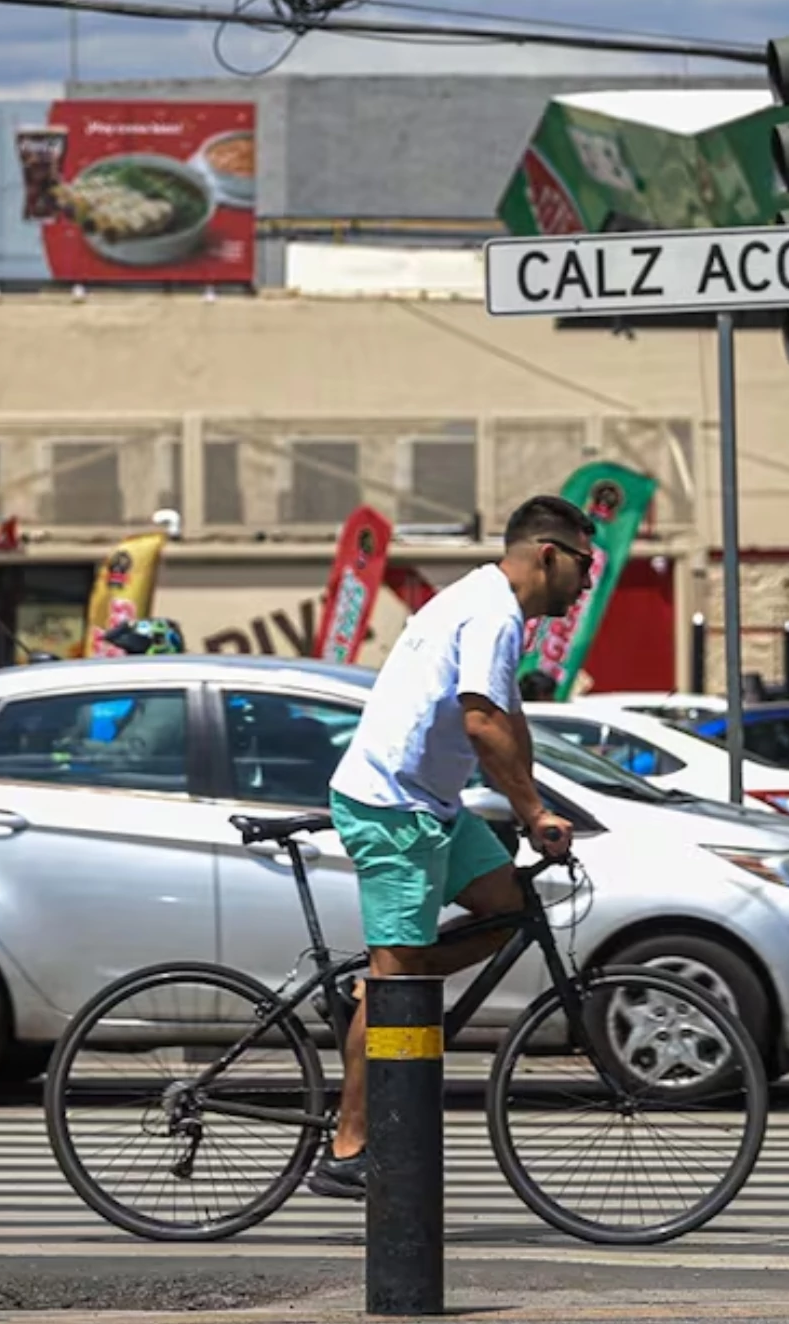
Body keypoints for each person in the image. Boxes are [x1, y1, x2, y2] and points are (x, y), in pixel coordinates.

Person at [313, 495, 596, 1200]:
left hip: (434, 804)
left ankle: (372, 990)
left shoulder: (491, 604)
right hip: (392, 807)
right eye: (584, 567)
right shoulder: (492, 613)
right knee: (399, 979)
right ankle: (348, 1146)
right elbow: (480, 725)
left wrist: (538, 800)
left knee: (509, 911)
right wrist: (532, 812)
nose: (587, 584)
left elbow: (506, 718)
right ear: (549, 555)